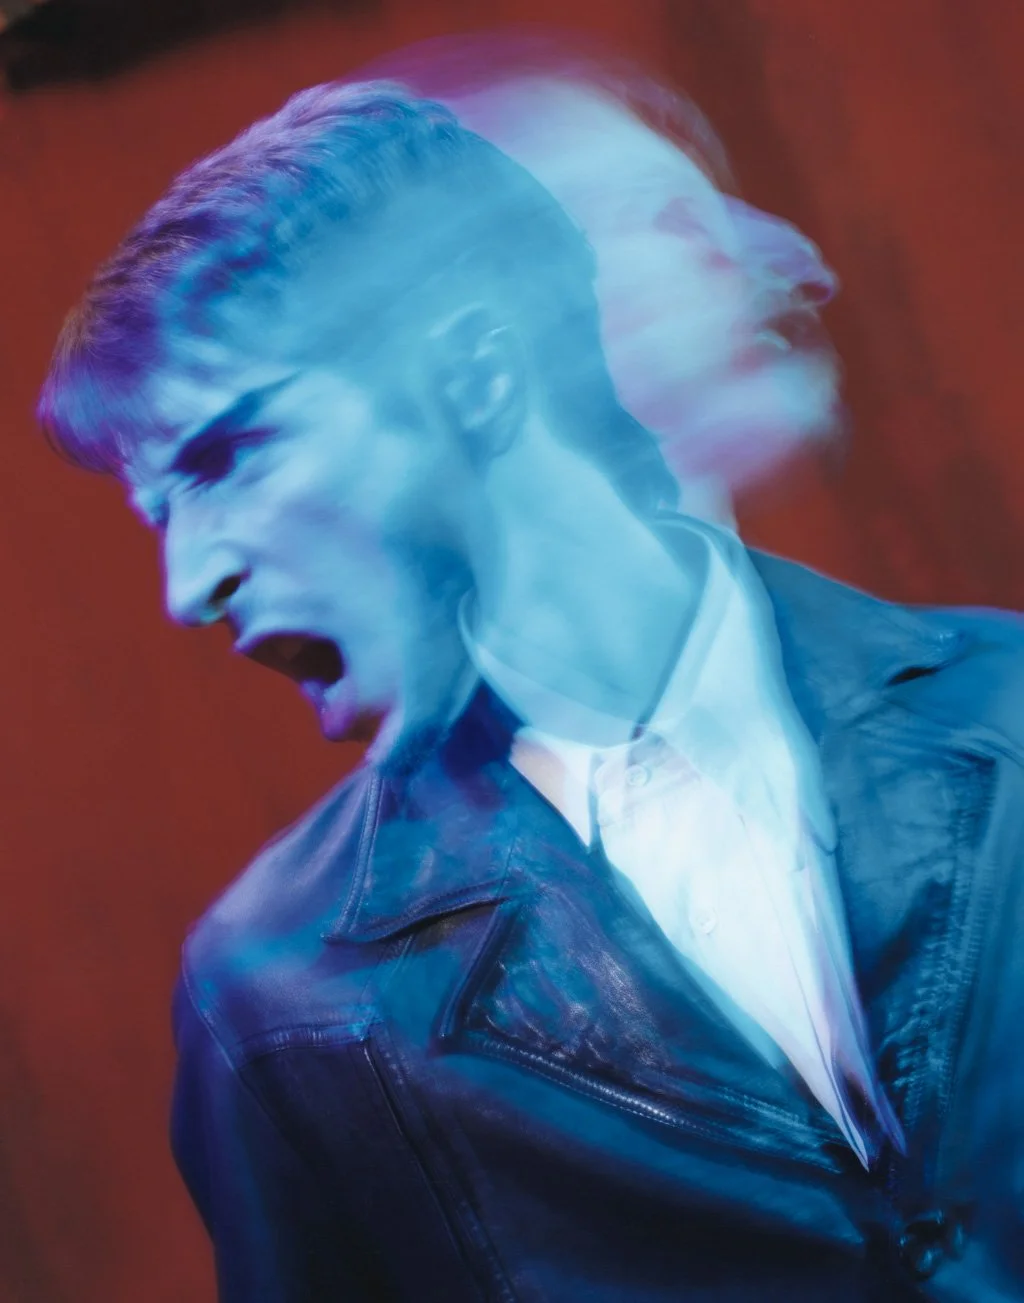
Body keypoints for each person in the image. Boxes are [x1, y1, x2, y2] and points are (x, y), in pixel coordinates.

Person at [37, 43, 1024, 1303]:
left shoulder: (1007, 713)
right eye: (155, 511)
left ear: (476, 373)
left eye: (231, 455)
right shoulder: (278, 996)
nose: (190, 585)